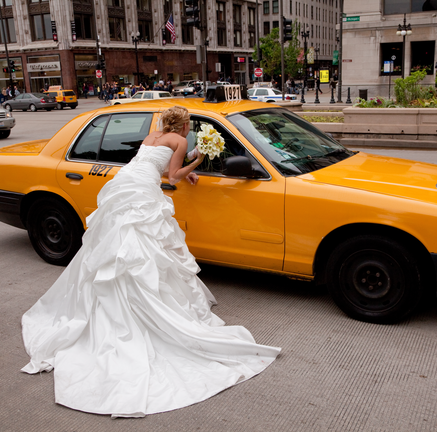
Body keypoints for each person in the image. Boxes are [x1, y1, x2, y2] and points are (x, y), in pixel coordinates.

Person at [20, 106, 281, 418]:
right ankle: (146, 303)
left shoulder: (152, 135)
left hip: (124, 182)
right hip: (142, 190)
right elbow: (172, 175)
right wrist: (196, 161)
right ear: (183, 125)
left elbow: (155, 166)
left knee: (121, 248)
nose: (189, 130)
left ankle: (121, 298)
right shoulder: (181, 142)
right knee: (145, 247)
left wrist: (187, 169)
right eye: (189, 126)